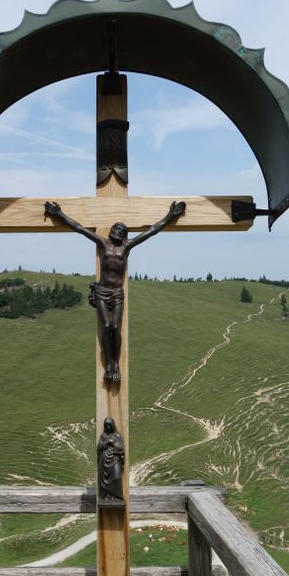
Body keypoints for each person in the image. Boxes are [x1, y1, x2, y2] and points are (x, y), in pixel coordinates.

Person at [44, 200, 186, 382]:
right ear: (111, 231)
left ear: (125, 235)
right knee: (106, 327)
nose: (118, 231)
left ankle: (115, 364)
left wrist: (171, 215)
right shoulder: (103, 243)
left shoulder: (126, 247)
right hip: (102, 291)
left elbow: (152, 230)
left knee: (116, 327)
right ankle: (108, 365)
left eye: (121, 229)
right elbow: (79, 228)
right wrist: (59, 214)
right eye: (116, 228)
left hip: (117, 293)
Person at [96, 416, 125, 504]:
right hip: (104, 461)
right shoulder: (103, 436)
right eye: (106, 426)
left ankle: (117, 497)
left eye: (109, 425)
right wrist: (106, 443)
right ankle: (105, 498)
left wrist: (113, 443)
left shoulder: (117, 435)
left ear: (113, 425)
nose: (108, 427)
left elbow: (121, 448)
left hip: (115, 459)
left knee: (117, 477)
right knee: (103, 481)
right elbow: (99, 448)